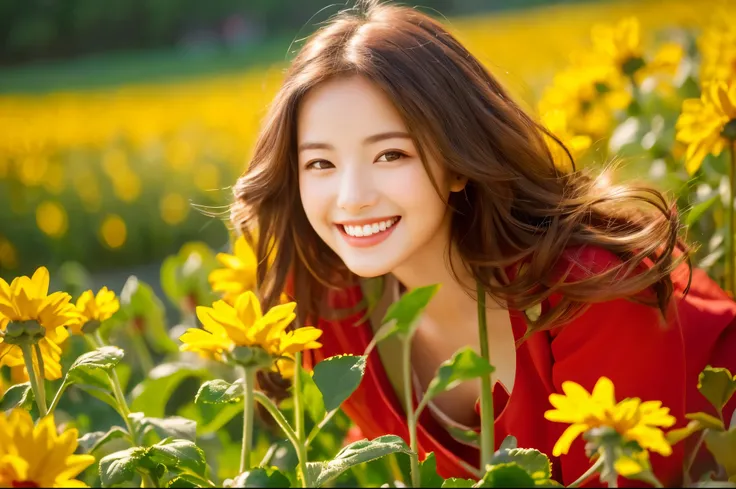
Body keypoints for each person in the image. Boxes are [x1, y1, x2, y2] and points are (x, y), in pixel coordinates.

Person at [230, 0, 736, 486]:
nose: (353, 197)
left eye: (390, 155)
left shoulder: (592, 286)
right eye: (320, 163)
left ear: (457, 159)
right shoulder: (328, 308)